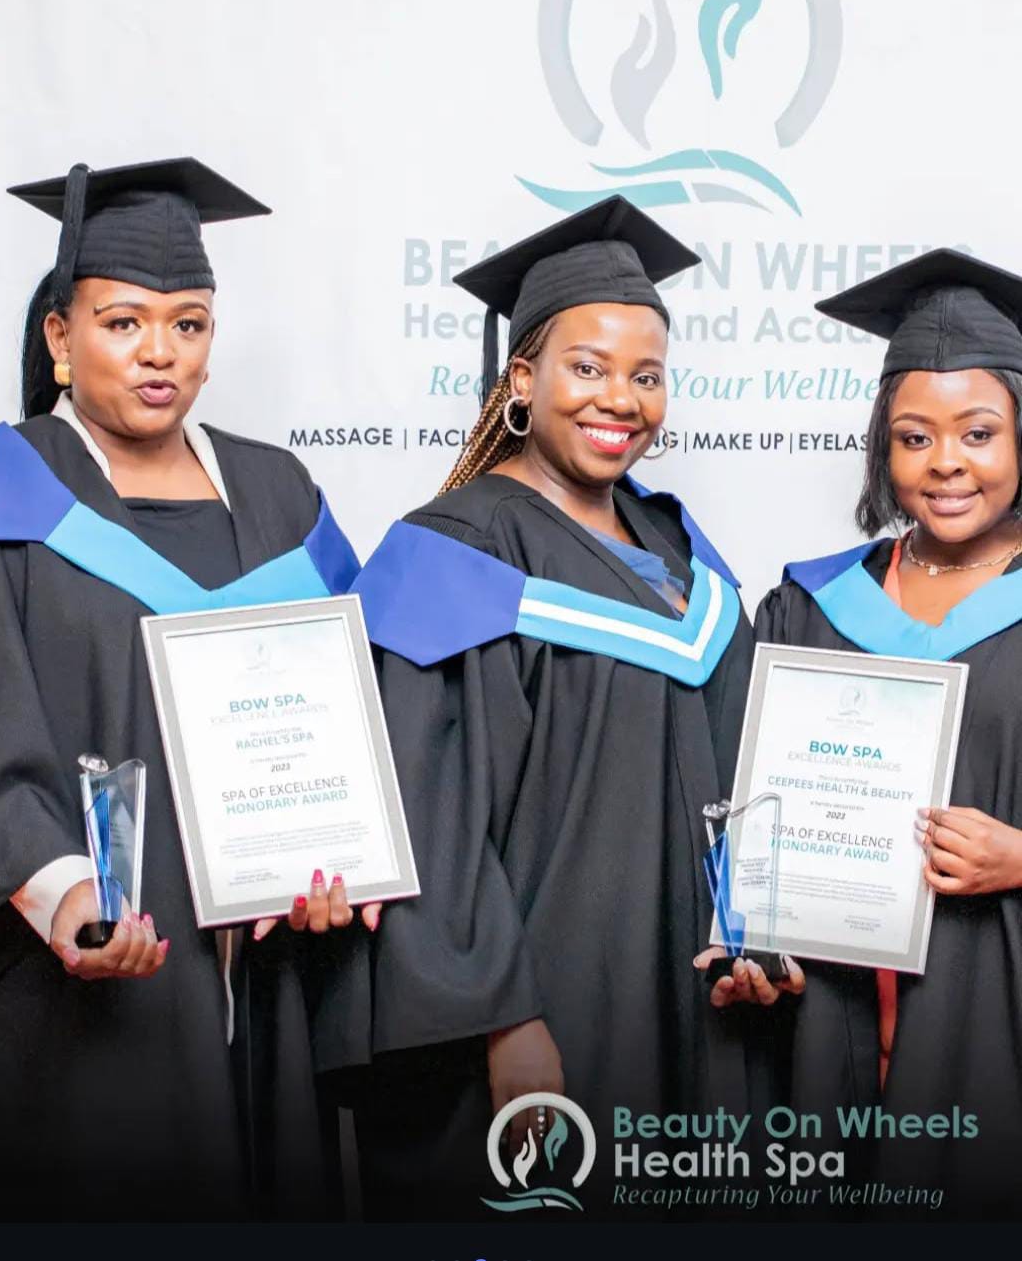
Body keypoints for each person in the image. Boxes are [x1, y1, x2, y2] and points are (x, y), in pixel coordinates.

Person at [0, 158, 375, 1221]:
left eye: (188, 325)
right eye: (123, 322)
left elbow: (352, 708)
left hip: (265, 970)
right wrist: (65, 893)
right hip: (70, 984)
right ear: (60, 337)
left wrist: (345, 860)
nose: (159, 352)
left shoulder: (282, 495)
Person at [347, 195, 774, 1219]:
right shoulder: (450, 552)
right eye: (587, 367)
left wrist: (760, 930)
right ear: (522, 381)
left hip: (689, 1000)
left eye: (646, 374)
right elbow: (422, 817)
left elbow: (743, 767)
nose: (620, 398)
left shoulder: (680, 551)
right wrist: (500, 1017)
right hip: (540, 1008)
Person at [755, 249, 1022, 1218]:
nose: (946, 461)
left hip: (992, 1011)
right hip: (827, 1015)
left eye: (979, 432)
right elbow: (756, 814)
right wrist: (749, 940)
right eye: (915, 436)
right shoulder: (812, 603)